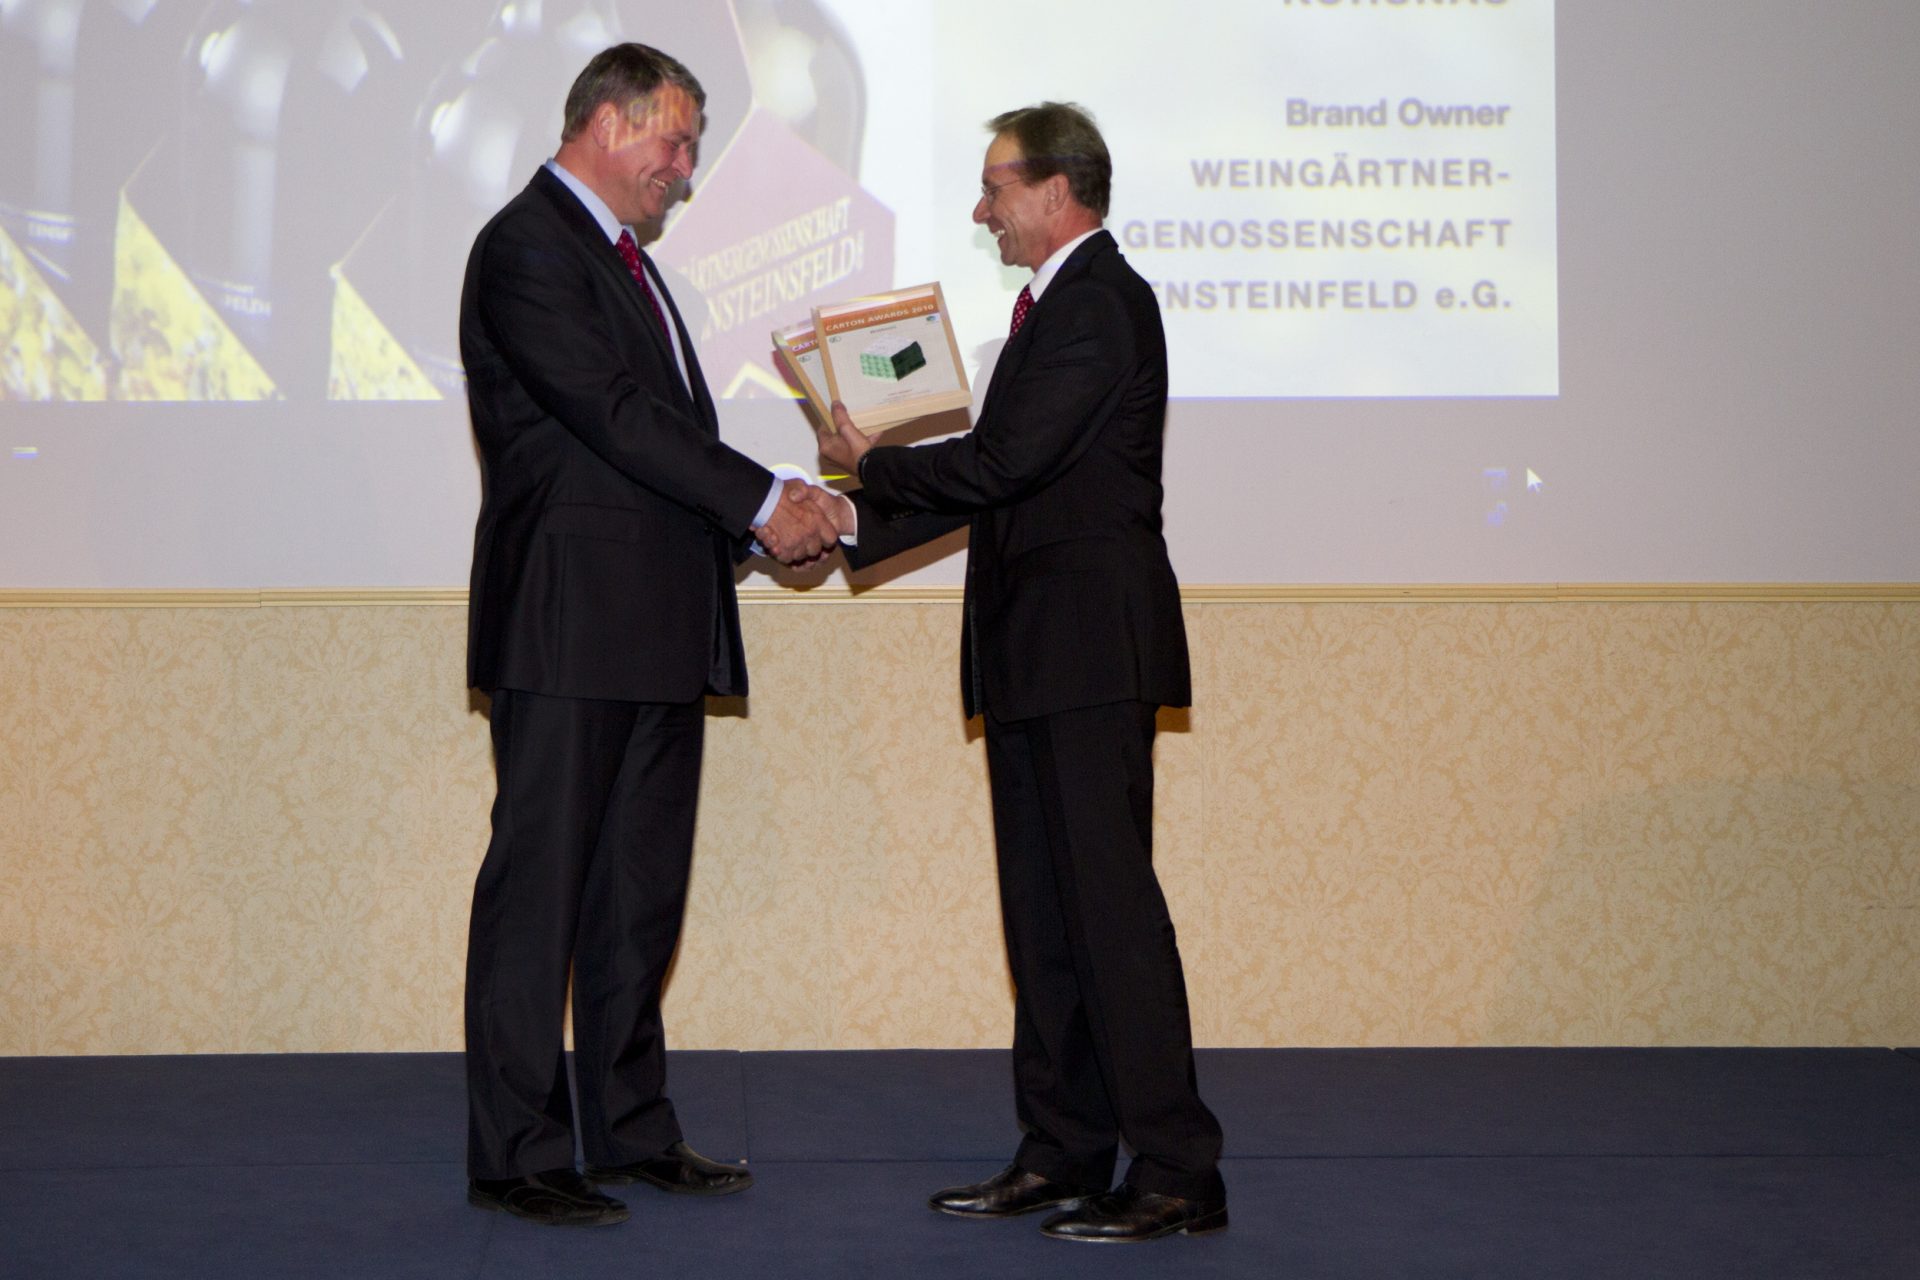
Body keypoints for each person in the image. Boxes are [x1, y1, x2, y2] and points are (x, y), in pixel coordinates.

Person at [817, 102, 1226, 1243]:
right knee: (1046, 917)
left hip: (1086, 652)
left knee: (1109, 913)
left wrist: (868, 469)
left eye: (995, 186)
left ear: (1057, 188)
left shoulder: (1099, 303)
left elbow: (1003, 462)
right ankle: (1063, 1149)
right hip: (1037, 653)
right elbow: (1012, 485)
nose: (981, 208)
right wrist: (846, 519)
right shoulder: (1052, 310)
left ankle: (1178, 1168)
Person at [458, 43, 841, 1227]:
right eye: (675, 142)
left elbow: (654, 452)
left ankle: (629, 1126)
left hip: (658, 626)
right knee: (540, 895)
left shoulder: (629, 264)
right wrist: (763, 501)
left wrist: (759, 519)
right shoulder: (527, 247)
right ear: (608, 124)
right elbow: (615, 417)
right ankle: (520, 1148)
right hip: (569, 629)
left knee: (636, 897)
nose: (685, 169)